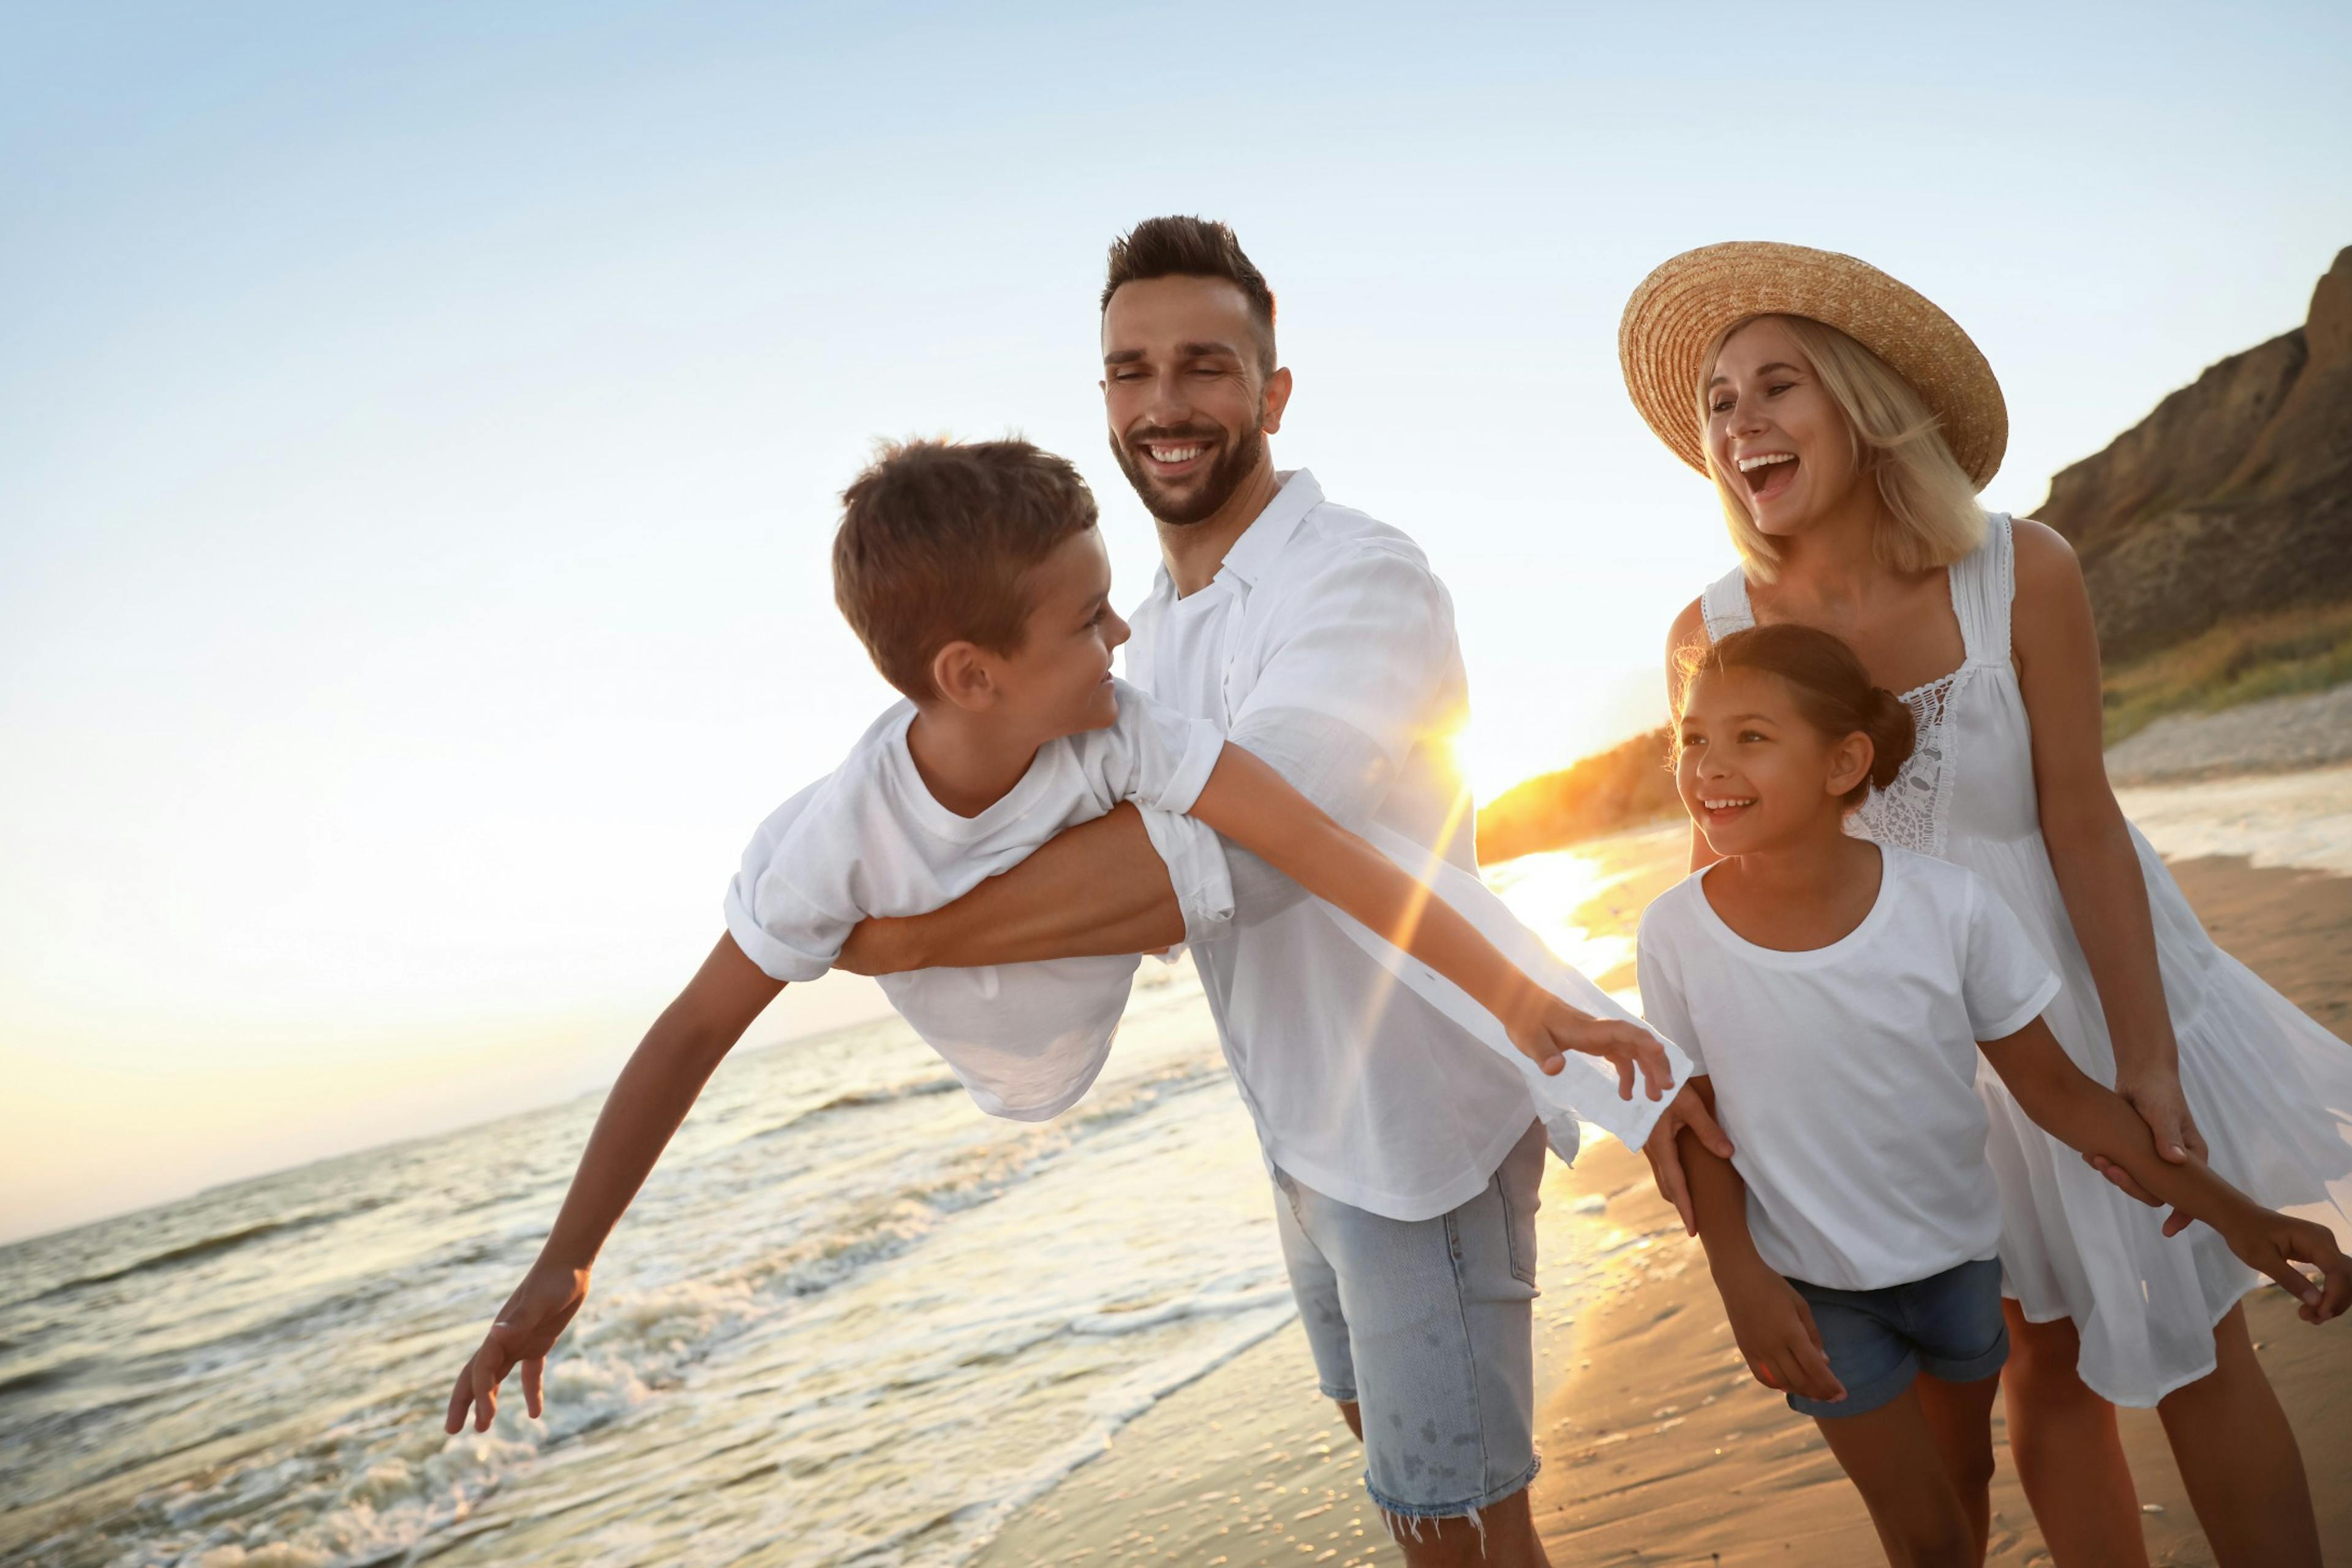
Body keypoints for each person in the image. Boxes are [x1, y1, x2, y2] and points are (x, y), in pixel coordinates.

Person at [442, 437, 1683, 1450]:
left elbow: (1317, 845)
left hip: (1117, 995)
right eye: (1091, 620)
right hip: (1002, 1060)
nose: (1124, 638)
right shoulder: (835, 845)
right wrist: (567, 1263)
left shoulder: (1118, 729)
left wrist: (1526, 1002)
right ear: (972, 675)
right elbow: (696, 1027)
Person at [832, 217, 1716, 1567]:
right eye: (1131, 371)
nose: (1165, 403)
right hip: (1298, 1122)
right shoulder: (1139, 631)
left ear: (1272, 392)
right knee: (1406, 1486)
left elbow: (1231, 856)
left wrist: (897, 937)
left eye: (1204, 365)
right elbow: (1034, 827)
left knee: (1466, 1522)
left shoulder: (1357, 577)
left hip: (1413, 1125)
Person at [1623, 241, 2352, 1566]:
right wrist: (1713, 1124)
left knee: (2201, 1335)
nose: (1738, 425)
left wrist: (2145, 1053)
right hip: (1907, 1047)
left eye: (1775, 386)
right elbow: (1724, 875)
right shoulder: (1710, 628)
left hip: (2089, 973)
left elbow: (2082, 816)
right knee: (2044, 1363)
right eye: (1718, 403)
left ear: (1859, 403)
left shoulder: (2024, 568)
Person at [1643, 620, 2349, 1568]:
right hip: (1810, 1293)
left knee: (1964, 1482)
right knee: (1927, 1535)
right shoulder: (1675, 934)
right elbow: (1698, 1125)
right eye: (1692, 738)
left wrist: (2241, 1218)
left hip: (1960, 1271)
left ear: (1845, 762)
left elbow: (2061, 1092)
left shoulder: (1947, 908)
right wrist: (1740, 1276)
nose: (1708, 766)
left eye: (1751, 738)